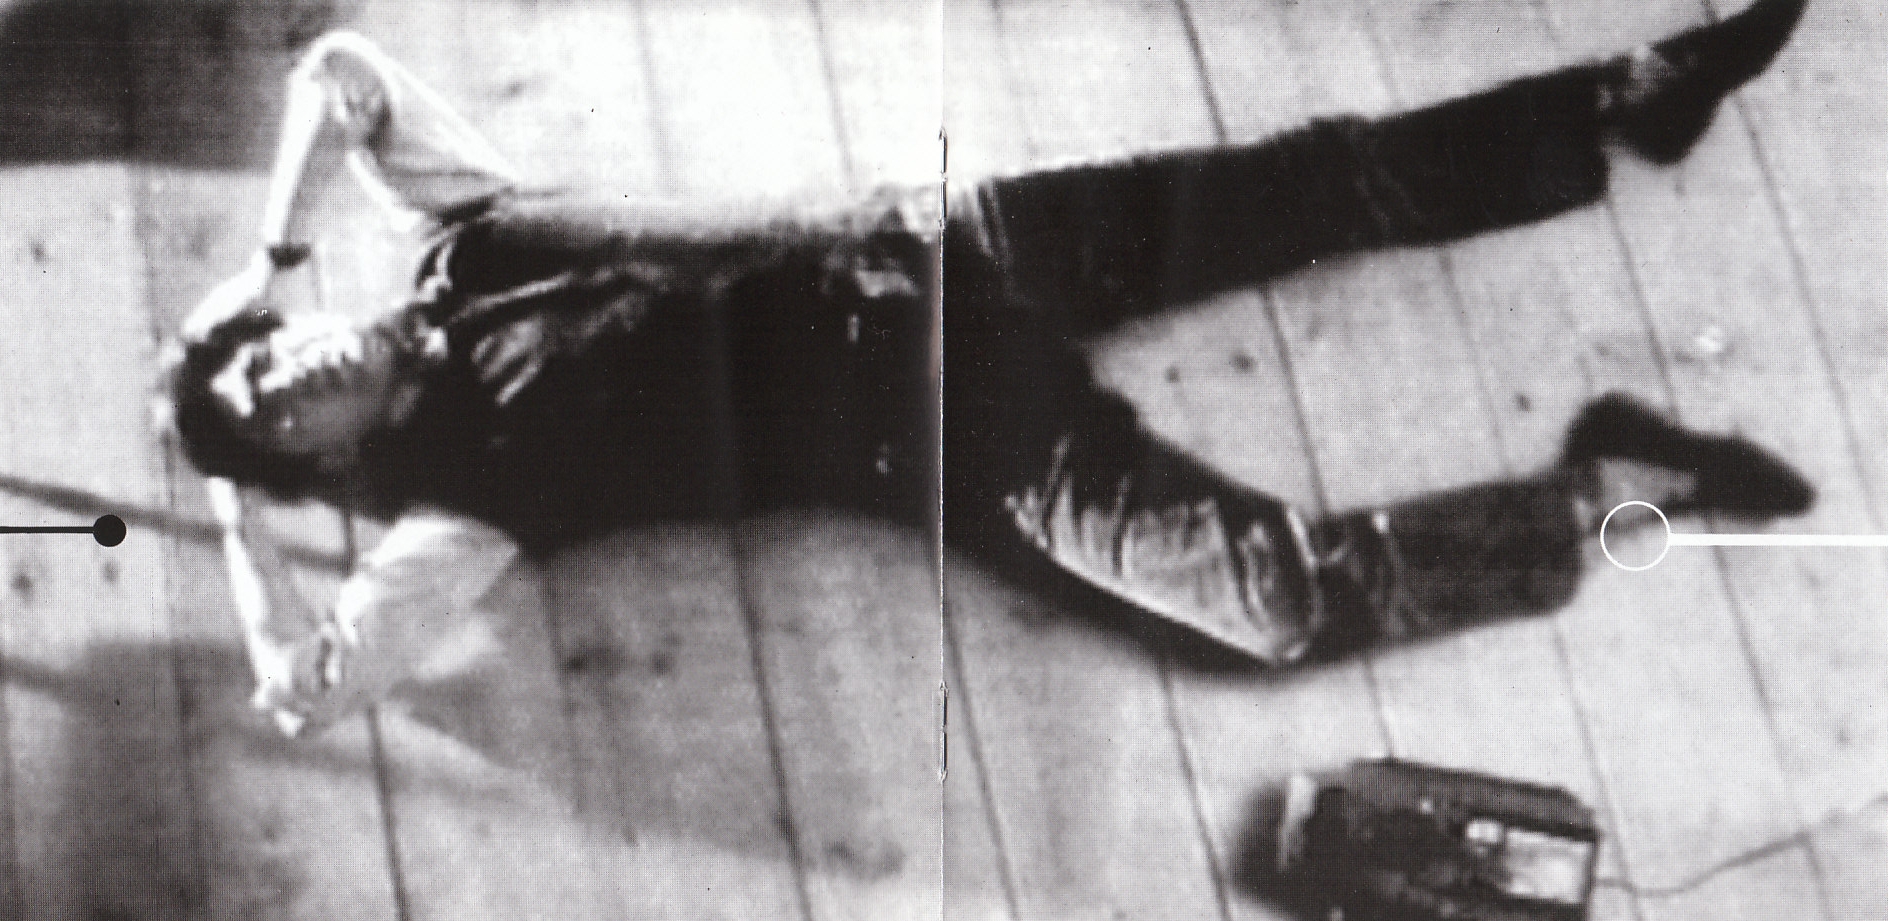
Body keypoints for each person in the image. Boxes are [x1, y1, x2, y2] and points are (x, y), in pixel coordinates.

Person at [165, 0, 1815, 735]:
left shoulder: (459, 239)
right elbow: (304, 693)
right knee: (1277, 609)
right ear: (329, 456)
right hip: (971, 435)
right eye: (277, 404)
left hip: (958, 246)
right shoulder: (453, 514)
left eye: (268, 355)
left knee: (1319, 181)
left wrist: (267, 259)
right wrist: (237, 517)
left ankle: (1625, 98)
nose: (290, 363)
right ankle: (1605, 483)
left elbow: (341, 70)